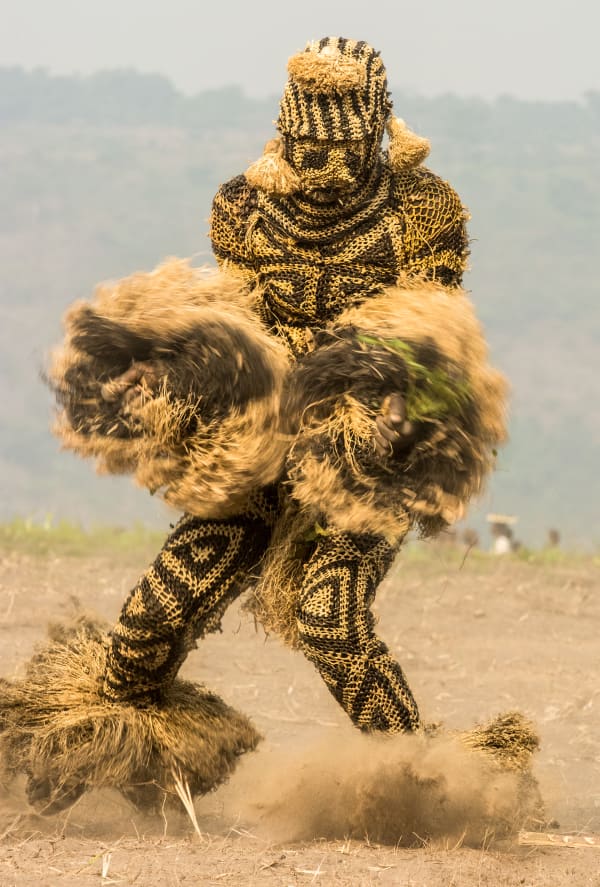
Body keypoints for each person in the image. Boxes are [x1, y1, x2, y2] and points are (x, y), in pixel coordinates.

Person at [0, 37, 510, 812]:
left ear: (376, 132)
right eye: (308, 149)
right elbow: (237, 317)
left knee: (329, 618)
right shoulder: (243, 205)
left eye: (343, 153)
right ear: (287, 127)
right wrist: (174, 369)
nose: (325, 171)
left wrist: (390, 410)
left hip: (365, 456)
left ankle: (434, 789)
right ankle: (119, 770)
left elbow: (436, 330)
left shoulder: (424, 209)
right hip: (264, 441)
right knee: (152, 621)